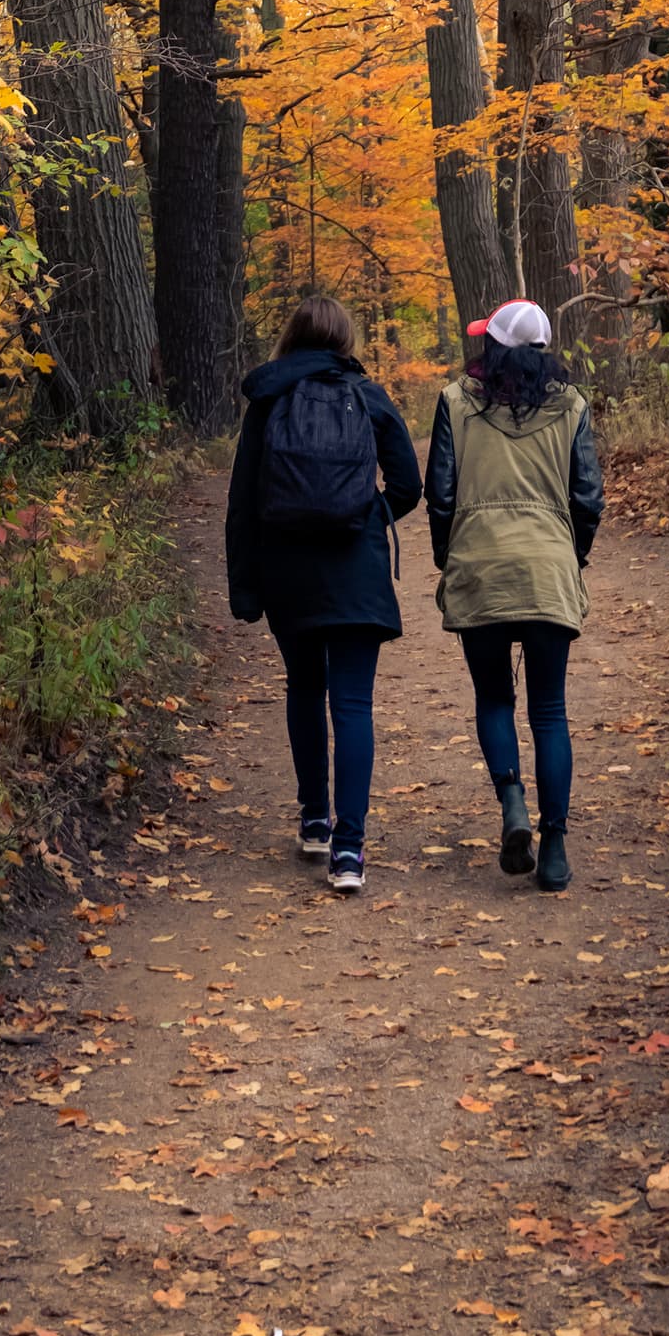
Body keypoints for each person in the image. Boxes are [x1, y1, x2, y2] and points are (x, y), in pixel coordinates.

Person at [224, 293, 423, 894]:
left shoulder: (267, 398)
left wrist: (246, 587)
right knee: (353, 704)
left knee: (305, 689)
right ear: (344, 340)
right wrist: (369, 513)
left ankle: (314, 819)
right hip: (355, 566)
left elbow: (243, 503)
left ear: (292, 336)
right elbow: (410, 484)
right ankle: (349, 852)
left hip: (289, 569)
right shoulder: (367, 395)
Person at [426, 298, 603, 893]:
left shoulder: (456, 401)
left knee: (495, 699)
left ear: (494, 346)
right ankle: (554, 849)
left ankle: (512, 806)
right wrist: (569, 558)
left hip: (479, 564)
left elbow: (441, 496)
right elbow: (588, 499)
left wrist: (446, 560)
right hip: (549, 567)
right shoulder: (573, 405)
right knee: (549, 711)